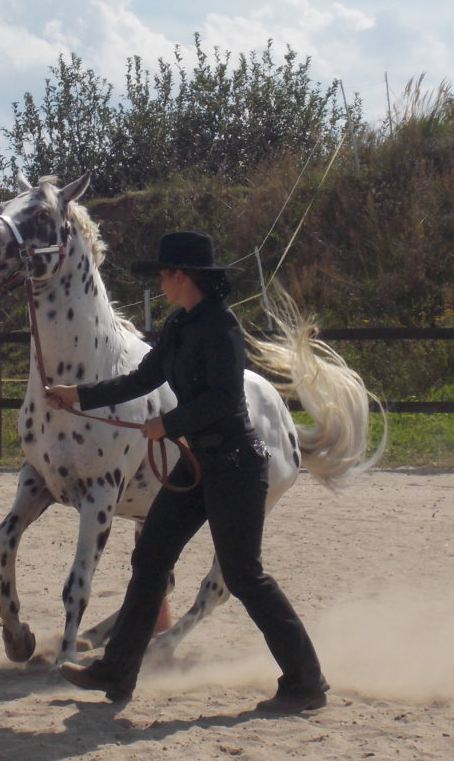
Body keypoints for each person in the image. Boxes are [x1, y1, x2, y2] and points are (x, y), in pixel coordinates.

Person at [44, 230, 330, 713]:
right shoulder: (181, 325)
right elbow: (142, 379)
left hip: (236, 466)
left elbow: (223, 399)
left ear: (182, 276)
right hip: (197, 463)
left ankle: (307, 681)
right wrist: (80, 396)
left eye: (163, 274)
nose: (160, 281)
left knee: (244, 575)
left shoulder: (221, 327)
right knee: (151, 557)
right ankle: (116, 670)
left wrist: (167, 424)